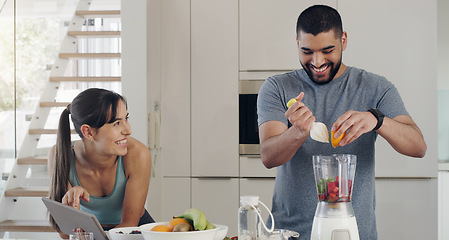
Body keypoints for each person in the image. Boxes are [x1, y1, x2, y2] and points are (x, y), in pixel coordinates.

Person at [257, 5, 426, 240]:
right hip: (290, 234)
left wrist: (377, 120)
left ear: (343, 40)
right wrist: (297, 132)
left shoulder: (375, 87)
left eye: (327, 50)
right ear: (297, 43)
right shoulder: (277, 87)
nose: (317, 62)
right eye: (307, 51)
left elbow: (418, 147)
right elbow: (268, 157)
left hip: (354, 233)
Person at [48, 88, 155, 238]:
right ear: (88, 132)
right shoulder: (60, 155)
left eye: (126, 119)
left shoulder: (138, 153)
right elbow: (65, 234)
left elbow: (127, 226)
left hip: (133, 231)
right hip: (92, 231)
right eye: (117, 123)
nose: (128, 130)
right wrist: (73, 211)